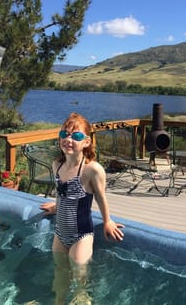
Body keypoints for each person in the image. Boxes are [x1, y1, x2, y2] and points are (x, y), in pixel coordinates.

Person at [39, 112, 125, 304]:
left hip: (81, 236)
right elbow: (60, 192)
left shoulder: (91, 170)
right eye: (64, 134)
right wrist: (56, 206)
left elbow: (101, 197)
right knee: (60, 276)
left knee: (80, 281)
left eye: (75, 136)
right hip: (60, 233)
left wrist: (107, 220)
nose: (68, 139)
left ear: (86, 142)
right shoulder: (57, 165)